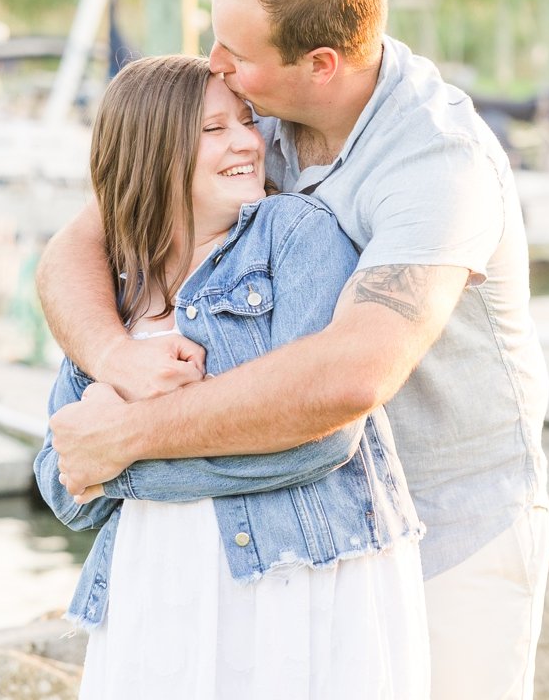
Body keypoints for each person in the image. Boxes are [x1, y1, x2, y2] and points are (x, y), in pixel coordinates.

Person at [41, 0, 549, 700]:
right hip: (297, 525)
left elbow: (351, 379)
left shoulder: (437, 166)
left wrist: (127, 437)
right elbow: (72, 252)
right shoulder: (255, 114)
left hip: (453, 530)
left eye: (236, 55)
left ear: (320, 64)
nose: (215, 65)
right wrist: (117, 362)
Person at [33, 54, 430, 699]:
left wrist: (121, 448)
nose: (249, 141)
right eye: (214, 129)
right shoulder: (114, 289)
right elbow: (62, 479)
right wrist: (96, 439)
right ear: (153, 151)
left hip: (296, 577)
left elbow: (320, 439)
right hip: (154, 591)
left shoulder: (294, 234)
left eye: (245, 122)